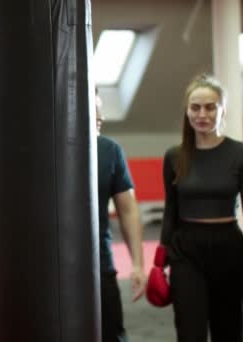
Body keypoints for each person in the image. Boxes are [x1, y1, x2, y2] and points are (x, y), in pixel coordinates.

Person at [145, 74, 243, 342]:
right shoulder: (174, 156)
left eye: (210, 106)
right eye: (195, 107)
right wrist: (160, 263)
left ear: (222, 109)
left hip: (228, 247)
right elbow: (171, 211)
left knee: (228, 332)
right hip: (186, 252)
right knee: (189, 334)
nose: (202, 114)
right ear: (187, 110)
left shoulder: (239, 153)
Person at [95, 89, 146, 341]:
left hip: (100, 265)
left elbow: (128, 209)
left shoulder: (109, 151)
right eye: (95, 112)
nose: (102, 116)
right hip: (50, 269)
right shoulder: (44, 151)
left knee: (112, 335)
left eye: (101, 110)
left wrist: (137, 264)